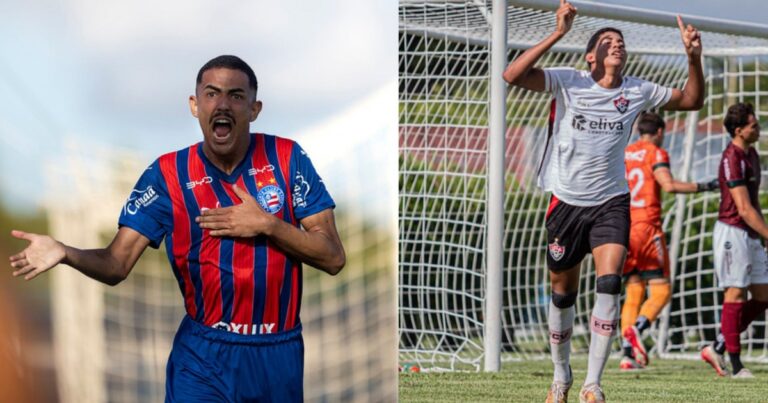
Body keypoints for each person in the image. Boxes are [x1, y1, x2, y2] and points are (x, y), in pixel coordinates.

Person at [8, 55, 346, 402]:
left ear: (255, 108)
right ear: (194, 104)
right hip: (202, 359)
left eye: (236, 95)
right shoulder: (167, 174)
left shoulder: (287, 158)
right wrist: (65, 252)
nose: (223, 104)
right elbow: (116, 263)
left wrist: (269, 225)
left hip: (278, 354)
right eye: (212, 94)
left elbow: (334, 257)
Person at [502, 0, 704, 400]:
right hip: (565, 203)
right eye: (608, 41)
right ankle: (561, 376)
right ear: (590, 55)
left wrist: (693, 58)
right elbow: (513, 74)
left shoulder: (638, 90)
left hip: (611, 202)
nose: (618, 45)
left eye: (621, 41)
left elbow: (692, 100)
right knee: (563, 294)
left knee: (610, 283)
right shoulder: (568, 80)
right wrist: (559, 32)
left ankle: (593, 385)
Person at [619, 111, 717, 371]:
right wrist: (705, 186)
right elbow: (669, 185)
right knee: (661, 290)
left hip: (624, 228)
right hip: (648, 229)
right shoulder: (657, 153)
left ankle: (627, 355)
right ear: (660, 132)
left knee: (634, 291)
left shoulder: (625, 153)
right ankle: (638, 329)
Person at [700, 102, 768, 379]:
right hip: (732, 232)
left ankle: (716, 345)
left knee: (764, 296)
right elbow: (742, 207)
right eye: (754, 125)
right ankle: (737, 365)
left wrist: (763, 236)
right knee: (735, 293)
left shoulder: (752, 154)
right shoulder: (731, 158)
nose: (759, 128)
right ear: (739, 130)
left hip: (750, 233)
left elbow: (754, 204)